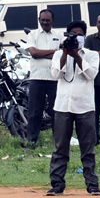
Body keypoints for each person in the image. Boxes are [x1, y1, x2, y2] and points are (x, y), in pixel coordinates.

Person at [47, 20, 100, 196]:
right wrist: (65, 54)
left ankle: (92, 184)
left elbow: (91, 74)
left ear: (84, 36)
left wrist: (77, 56)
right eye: (73, 35)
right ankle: (57, 183)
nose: (76, 38)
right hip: (63, 106)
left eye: (79, 35)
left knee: (88, 148)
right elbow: (56, 75)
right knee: (60, 147)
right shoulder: (58, 55)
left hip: (85, 106)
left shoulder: (92, 55)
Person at [22, 9, 60, 144]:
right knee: (34, 111)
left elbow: (60, 55)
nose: (45, 22)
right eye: (42, 20)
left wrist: (46, 53)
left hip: (54, 78)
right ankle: (32, 141)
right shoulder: (33, 35)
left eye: (47, 20)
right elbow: (34, 53)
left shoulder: (59, 35)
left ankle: (59, 141)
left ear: (53, 21)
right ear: (39, 20)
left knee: (57, 111)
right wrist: (54, 52)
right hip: (37, 78)